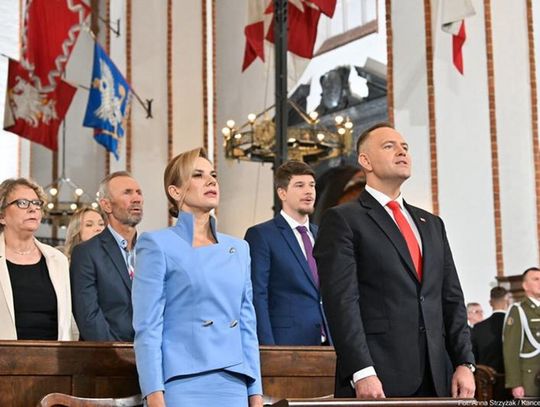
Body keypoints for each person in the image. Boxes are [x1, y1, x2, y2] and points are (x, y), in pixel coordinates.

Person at [313, 123, 475, 398]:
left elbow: (451, 298)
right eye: (389, 146)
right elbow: (341, 302)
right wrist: (361, 371)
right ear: (365, 161)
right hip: (378, 376)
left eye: (405, 147)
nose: (402, 152)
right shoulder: (343, 219)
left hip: (438, 375)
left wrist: (464, 362)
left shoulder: (431, 224)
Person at [132, 148, 263, 406]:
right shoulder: (157, 244)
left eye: (213, 175)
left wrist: (255, 393)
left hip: (234, 383)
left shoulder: (239, 249)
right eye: (198, 175)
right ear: (175, 191)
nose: (211, 181)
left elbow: (247, 327)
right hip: (183, 382)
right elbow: (148, 327)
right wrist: (154, 394)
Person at [244, 160, 330, 346]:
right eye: (299, 185)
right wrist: (268, 349)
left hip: (327, 343)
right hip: (285, 344)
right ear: (282, 193)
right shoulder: (262, 235)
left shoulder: (323, 235)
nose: (309, 191)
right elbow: (257, 295)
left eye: (312, 185)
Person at [70, 171, 143, 341]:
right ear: (107, 205)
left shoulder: (150, 251)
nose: (137, 198)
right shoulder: (86, 253)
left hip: (151, 352)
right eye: (127, 193)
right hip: (108, 352)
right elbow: (88, 317)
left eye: (139, 192)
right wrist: (119, 352)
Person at [0, 178, 73, 340]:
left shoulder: (58, 260)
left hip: (53, 353)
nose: (32, 208)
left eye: (36, 203)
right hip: (5, 354)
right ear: (2, 216)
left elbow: (67, 321)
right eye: (22, 203)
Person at [503, 267, 540, 398]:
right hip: (531, 381)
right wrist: (515, 383)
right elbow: (511, 349)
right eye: (536, 279)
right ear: (525, 285)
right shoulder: (518, 310)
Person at [471, 286, 510, 372]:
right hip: (510, 377)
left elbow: (473, 357)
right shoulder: (514, 325)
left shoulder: (478, 328)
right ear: (507, 302)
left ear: (490, 303)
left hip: (486, 377)